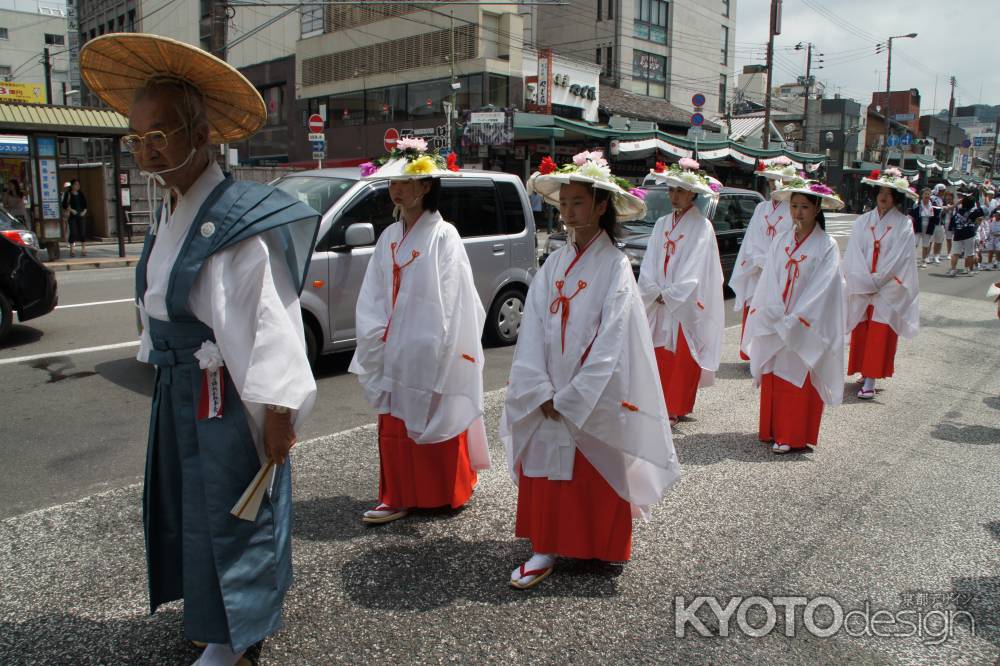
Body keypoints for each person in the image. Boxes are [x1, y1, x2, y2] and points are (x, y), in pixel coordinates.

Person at [80, 33, 321, 666]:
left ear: (201, 133)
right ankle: (209, 617)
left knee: (231, 514)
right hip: (182, 387)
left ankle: (237, 638)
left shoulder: (236, 219)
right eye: (137, 137)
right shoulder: (172, 206)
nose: (145, 147)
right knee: (190, 507)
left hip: (224, 394)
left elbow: (269, 321)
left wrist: (276, 412)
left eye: (159, 133)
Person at [501, 151, 680, 589]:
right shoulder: (555, 264)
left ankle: (598, 544)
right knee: (547, 463)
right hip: (549, 388)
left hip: (589, 395)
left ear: (602, 206)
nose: (568, 212)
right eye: (563, 204)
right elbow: (533, 329)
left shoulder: (616, 265)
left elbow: (614, 339)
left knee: (593, 464)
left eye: (578, 202)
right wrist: (539, 387)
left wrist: (573, 397)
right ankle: (544, 546)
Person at [350, 138, 491, 525]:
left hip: (427, 345)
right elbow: (373, 292)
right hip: (392, 342)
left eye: (405, 182)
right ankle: (398, 494)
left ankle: (445, 490)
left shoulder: (444, 235)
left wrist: (436, 342)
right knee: (396, 425)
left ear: (426, 186)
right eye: (392, 183)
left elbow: (452, 296)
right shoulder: (389, 237)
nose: (396, 189)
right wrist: (378, 331)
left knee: (436, 411)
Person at [742, 179, 845, 454]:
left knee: (797, 373)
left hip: (804, 323)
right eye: (794, 206)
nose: (798, 213)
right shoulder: (781, 240)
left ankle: (792, 434)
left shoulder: (827, 245)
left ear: (816, 209)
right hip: (777, 317)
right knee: (775, 371)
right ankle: (772, 429)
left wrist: (796, 319)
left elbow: (824, 287)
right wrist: (775, 311)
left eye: (804, 207)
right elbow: (770, 280)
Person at [638, 158, 724, 425]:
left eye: (681, 191)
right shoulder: (662, 223)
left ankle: (677, 406)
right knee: (659, 353)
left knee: (681, 356)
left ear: (693, 194)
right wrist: (653, 290)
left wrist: (672, 293)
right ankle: (657, 403)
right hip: (659, 297)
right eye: (672, 190)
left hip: (682, 301)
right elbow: (650, 260)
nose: (675, 196)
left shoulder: (702, 226)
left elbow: (696, 266)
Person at [842, 168, 919, 400]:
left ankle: (871, 380)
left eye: (889, 193)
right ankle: (864, 371)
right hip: (864, 283)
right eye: (881, 192)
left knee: (880, 332)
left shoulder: (904, 224)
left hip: (887, 287)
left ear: (896, 197)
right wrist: (865, 279)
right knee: (863, 329)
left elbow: (900, 258)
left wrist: (878, 281)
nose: (883, 198)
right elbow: (853, 252)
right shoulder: (863, 221)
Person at [729, 157, 797, 361]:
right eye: (770, 180)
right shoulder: (761, 208)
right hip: (757, 268)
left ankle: (772, 351)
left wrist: (771, 262)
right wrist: (757, 259)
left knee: (776, 307)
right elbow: (751, 237)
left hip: (779, 269)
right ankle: (752, 351)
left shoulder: (793, 209)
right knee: (756, 308)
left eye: (779, 181)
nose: (774, 185)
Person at [947, 188, 985, 277]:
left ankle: (953, 269)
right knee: (969, 254)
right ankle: (970, 270)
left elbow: (951, 225)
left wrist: (959, 202)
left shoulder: (958, 212)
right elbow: (983, 212)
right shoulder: (974, 211)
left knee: (955, 253)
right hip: (969, 233)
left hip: (958, 234)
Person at [911, 188, 940, 268]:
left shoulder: (933, 204)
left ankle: (924, 260)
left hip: (928, 227)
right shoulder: (917, 204)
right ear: (922, 195)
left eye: (928, 194)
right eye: (925, 194)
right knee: (914, 243)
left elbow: (937, 216)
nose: (927, 195)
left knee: (926, 245)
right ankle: (911, 260)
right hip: (918, 226)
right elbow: (912, 215)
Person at [63, 179, 89, 257]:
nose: (77, 186)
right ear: (72, 185)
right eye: (76, 184)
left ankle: (84, 249)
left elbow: (85, 205)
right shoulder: (68, 194)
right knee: (73, 232)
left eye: (78, 184)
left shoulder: (81, 194)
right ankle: (72, 250)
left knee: (82, 232)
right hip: (72, 216)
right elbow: (64, 204)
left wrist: (84, 212)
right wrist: (71, 210)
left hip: (81, 215)